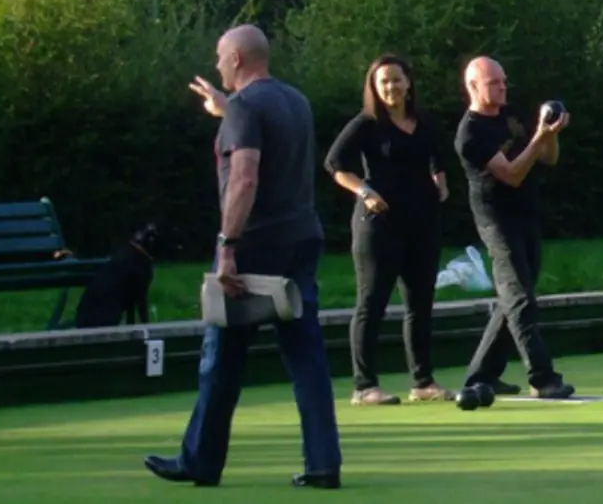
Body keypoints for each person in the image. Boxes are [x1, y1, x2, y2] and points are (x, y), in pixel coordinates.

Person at [146, 26, 342, 489]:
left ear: (235, 59)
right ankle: (323, 463)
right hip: (302, 238)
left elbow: (246, 178)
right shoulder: (295, 101)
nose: (216, 65)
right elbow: (267, 147)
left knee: (221, 358)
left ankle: (200, 460)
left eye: (219, 56)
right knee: (306, 357)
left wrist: (227, 248)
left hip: (254, 244)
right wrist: (225, 110)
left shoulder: (245, 107)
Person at [324, 54, 453, 405]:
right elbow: (334, 164)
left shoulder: (423, 121)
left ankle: (423, 382)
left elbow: (438, 157)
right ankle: (365, 386)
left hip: (423, 223)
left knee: (420, 303)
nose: (391, 87)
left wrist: (440, 181)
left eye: (397, 80)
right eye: (384, 82)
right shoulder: (366, 124)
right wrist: (364, 192)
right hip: (379, 225)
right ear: (375, 88)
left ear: (408, 82)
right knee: (372, 302)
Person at [458, 57, 577, 398]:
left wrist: (550, 133)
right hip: (496, 220)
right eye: (494, 82)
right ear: (474, 87)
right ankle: (543, 378)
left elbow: (547, 158)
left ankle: (481, 376)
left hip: (526, 214)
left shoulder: (511, 116)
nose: (502, 86)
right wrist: (541, 133)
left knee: (514, 297)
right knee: (521, 298)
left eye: (504, 81)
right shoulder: (470, 133)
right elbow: (510, 174)